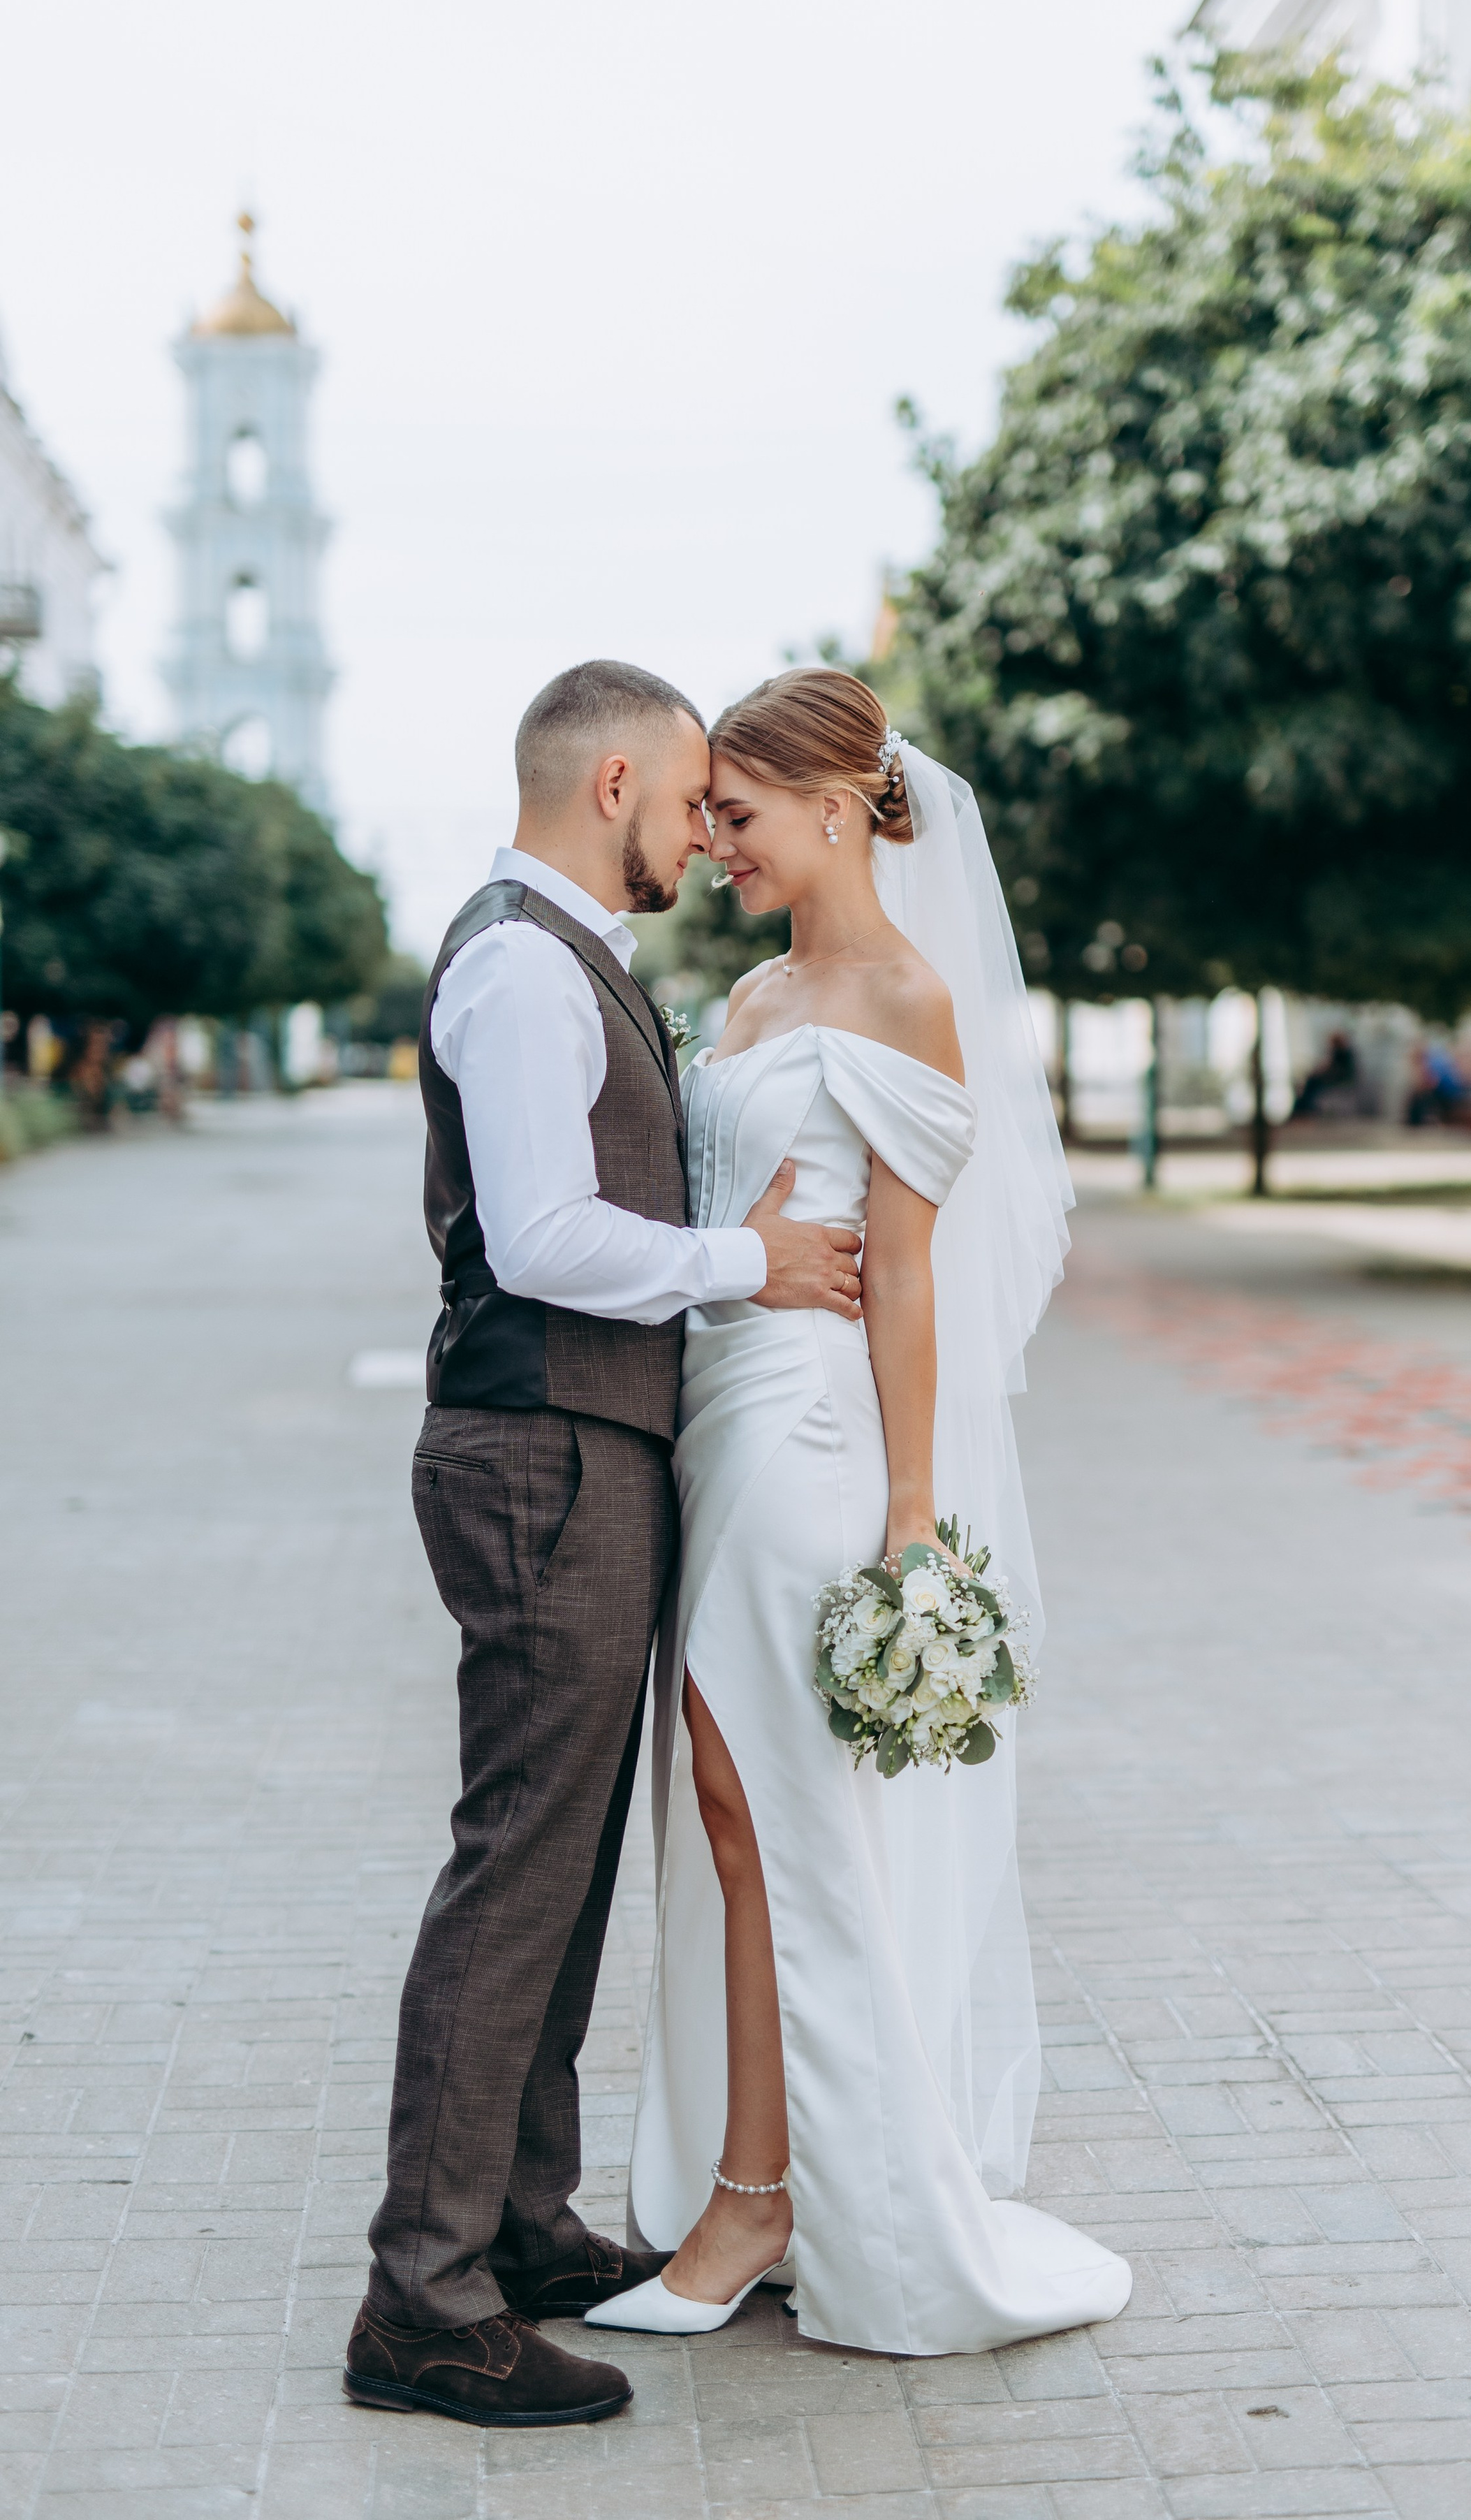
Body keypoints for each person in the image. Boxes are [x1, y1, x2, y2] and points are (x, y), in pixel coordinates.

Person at [344, 661, 865, 2428]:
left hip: (590, 1447)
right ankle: (421, 2301)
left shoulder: (573, 957)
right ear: (617, 777)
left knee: (557, 1866)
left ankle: (514, 2223)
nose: (701, 830)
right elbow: (545, 1237)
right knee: (517, 1863)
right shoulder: (514, 962)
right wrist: (753, 1268)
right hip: (536, 1453)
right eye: (692, 797)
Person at [587, 669, 1131, 2353]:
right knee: (728, 1810)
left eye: (736, 815)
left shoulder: (902, 994)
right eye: (708, 815)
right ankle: (761, 2180)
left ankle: (764, 2198)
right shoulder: (751, 992)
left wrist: (910, 1511)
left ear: (838, 807)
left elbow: (903, 1278)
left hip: (811, 1440)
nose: (713, 842)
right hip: (715, 1419)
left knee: (774, 1815)